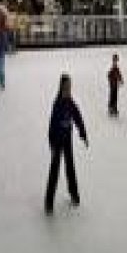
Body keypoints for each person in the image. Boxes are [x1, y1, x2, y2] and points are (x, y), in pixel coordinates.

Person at [44, 74, 88, 214]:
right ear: (62, 87)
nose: (69, 89)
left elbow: (77, 117)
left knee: (70, 167)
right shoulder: (57, 104)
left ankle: (74, 195)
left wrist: (83, 133)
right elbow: (51, 125)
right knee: (54, 171)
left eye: (70, 86)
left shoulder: (70, 102)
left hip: (67, 140)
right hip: (57, 141)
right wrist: (52, 143)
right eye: (67, 86)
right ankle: (48, 203)